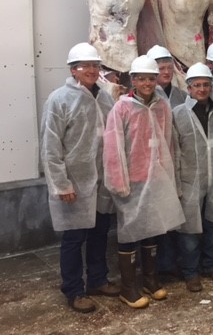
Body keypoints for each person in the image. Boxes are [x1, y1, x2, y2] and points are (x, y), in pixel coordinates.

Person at [40, 42, 119, 313]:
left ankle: (98, 280)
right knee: (74, 240)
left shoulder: (106, 98)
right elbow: (51, 146)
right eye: (86, 66)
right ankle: (74, 290)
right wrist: (61, 184)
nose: (92, 70)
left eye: (96, 66)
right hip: (75, 183)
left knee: (99, 234)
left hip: (101, 182)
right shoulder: (59, 99)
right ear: (73, 70)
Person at [103, 55, 185, 309]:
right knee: (129, 233)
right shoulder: (122, 108)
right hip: (132, 181)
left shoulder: (162, 106)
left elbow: (169, 142)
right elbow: (113, 146)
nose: (147, 83)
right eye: (142, 79)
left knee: (152, 229)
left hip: (157, 179)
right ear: (134, 81)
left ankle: (151, 280)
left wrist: (170, 178)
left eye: (151, 78)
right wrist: (119, 182)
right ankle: (128, 288)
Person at [172, 63, 213, 293]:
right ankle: (191, 273)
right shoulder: (178, 114)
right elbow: (174, 150)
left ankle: (212, 266)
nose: (202, 89)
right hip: (190, 178)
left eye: (206, 85)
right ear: (189, 88)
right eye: (197, 85)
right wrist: (176, 182)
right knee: (190, 230)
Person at [147, 44, 186, 278]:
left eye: (168, 66)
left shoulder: (180, 95)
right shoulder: (141, 97)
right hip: (152, 166)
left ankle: (172, 264)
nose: (166, 71)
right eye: (161, 67)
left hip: (176, 161)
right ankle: (156, 268)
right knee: (155, 219)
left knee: (173, 217)